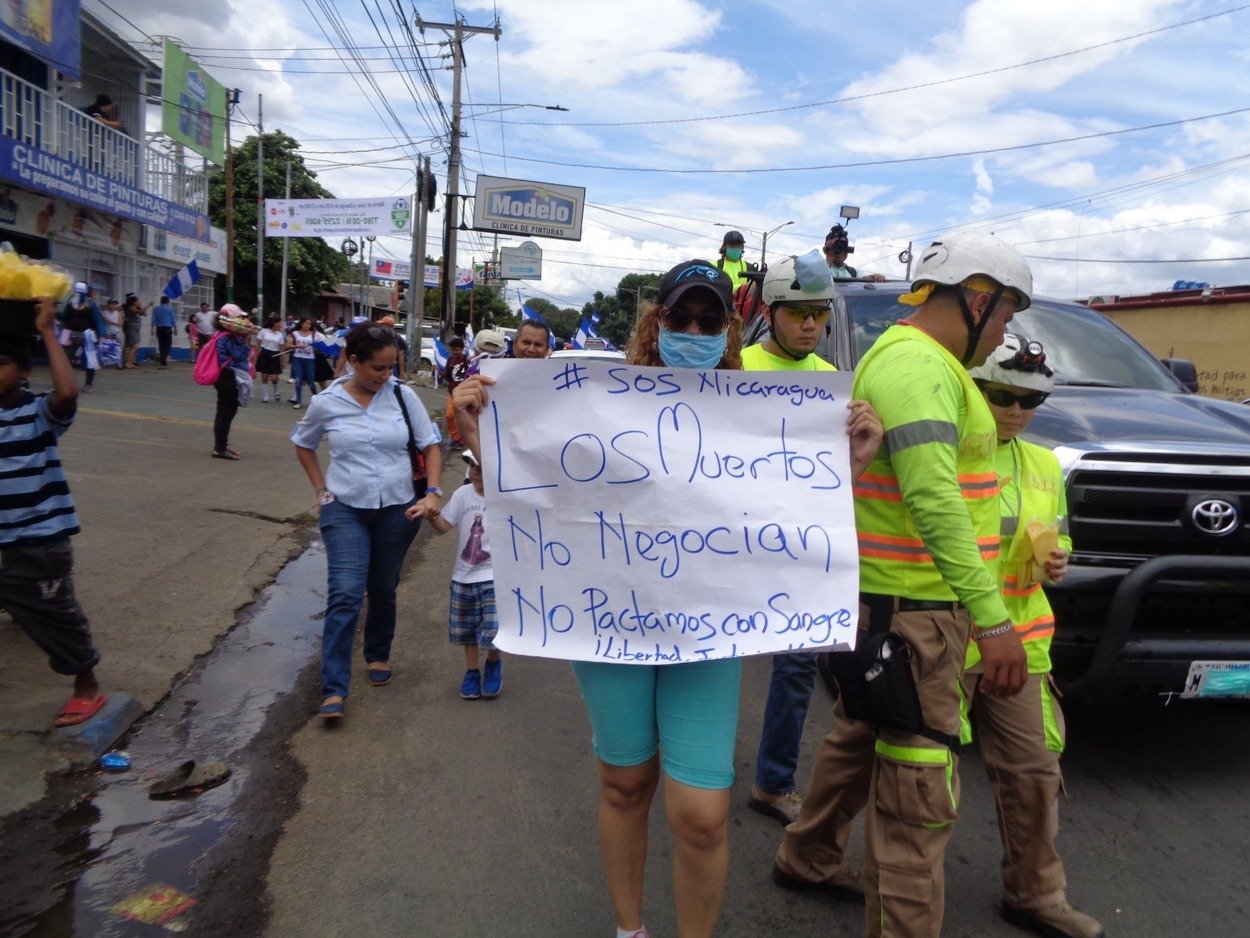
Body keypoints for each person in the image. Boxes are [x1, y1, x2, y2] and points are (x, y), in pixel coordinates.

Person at [451, 260, 882, 938]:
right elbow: (540, 495)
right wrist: (480, 436)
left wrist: (847, 469)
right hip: (610, 627)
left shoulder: (756, 420)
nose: (693, 330)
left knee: (702, 816)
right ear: (657, 324)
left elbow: (786, 519)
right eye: (680, 318)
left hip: (704, 636)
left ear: (728, 333)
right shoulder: (595, 405)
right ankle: (631, 930)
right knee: (625, 785)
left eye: (709, 321)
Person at [773, 232, 1033, 938]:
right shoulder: (921, 367)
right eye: (1006, 315)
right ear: (978, 300)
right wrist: (994, 620)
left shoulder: (908, 358)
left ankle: (807, 855)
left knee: (859, 738)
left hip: (888, 609)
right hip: (916, 617)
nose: (1005, 331)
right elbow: (935, 499)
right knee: (919, 798)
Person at [964, 335, 1104, 938]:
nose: (1016, 410)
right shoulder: (944, 453)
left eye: (1030, 400)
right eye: (1002, 395)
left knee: (1033, 770)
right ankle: (810, 853)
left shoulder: (1045, 463)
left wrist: (1059, 559)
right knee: (867, 755)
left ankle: (1035, 893)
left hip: (1022, 642)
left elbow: (1058, 536)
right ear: (975, 389)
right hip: (945, 638)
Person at [291, 322, 443, 721]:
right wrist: (321, 491)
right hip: (345, 509)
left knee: (383, 587)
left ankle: (377, 653)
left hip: (398, 509)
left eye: (391, 367)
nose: (385, 375)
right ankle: (333, 688)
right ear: (353, 361)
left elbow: (430, 445)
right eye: (378, 368)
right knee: (344, 591)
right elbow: (303, 444)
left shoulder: (402, 396)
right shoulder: (326, 402)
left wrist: (433, 493)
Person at [739, 252, 839, 826]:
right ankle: (687, 769)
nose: (809, 325)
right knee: (713, 657)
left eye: (818, 315)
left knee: (798, 668)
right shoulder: (736, 369)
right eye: (799, 312)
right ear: (772, 311)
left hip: (800, 550)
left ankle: (772, 783)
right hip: (729, 546)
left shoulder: (833, 384)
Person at [0, 298, 107, 728]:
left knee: (55, 615)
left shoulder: (37, 412)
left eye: (2, 363)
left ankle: (86, 686)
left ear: (24, 372)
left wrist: (47, 331)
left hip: (38, 541)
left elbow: (67, 393)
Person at [409, 450, 501, 699]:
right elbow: (443, 526)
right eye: (471, 467)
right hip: (463, 575)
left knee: (493, 629)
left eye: (480, 467)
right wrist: (430, 514)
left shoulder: (503, 497)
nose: (474, 472)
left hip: (494, 575)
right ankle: (472, 671)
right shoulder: (463, 494)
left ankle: (493, 662)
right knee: (467, 630)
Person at [210, 305, 257, 460]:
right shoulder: (227, 337)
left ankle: (221, 445)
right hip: (228, 376)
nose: (243, 320)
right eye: (240, 318)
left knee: (225, 411)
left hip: (228, 376)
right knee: (226, 412)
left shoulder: (223, 335)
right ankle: (220, 448)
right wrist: (246, 338)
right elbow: (240, 354)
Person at [285, 317, 319, 409]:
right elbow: (288, 345)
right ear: (302, 324)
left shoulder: (314, 334)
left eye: (310, 324)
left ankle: (318, 399)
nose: (308, 325)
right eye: (307, 323)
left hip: (310, 359)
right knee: (298, 380)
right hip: (298, 359)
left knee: (310, 381)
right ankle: (298, 401)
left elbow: (318, 345)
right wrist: (297, 345)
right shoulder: (295, 333)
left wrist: (316, 348)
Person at [443, 336, 468, 448]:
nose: (455, 352)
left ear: (462, 349)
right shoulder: (449, 360)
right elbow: (446, 375)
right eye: (453, 350)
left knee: (462, 417)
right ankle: (455, 438)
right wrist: (437, 370)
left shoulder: (466, 360)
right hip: (452, 393)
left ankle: (462, 440)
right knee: (449, 415)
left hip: (464, 393)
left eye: (457, 349)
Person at [255, 315, 286, 403]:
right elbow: (258, 343)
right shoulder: (263, 331)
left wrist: (282, 361)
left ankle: (276, 391)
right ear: (275, 323)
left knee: (274, 378)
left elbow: (281, 349)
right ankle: (265, 396)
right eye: (280, 322)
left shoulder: (280, 334)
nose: (281, 324)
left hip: (275, 354)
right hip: (264, 354)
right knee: (264, 376)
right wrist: (254, 355)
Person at [121, 293, 147, 369]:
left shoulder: (135, 308)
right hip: (132, 328)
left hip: (135, 328)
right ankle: (128, 362)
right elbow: (141, 311)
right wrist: (149, 304)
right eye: (138, 301)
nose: (139, 302)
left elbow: (144, 313)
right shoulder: (132, 308)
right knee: (133, 346)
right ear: (134, 302)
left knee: (133, 346)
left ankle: (130, 362)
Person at [152, 296, 176, 367]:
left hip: (159, 328)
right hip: (167, 328)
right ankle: (164, 358)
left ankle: (162, 357)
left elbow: (153, 319)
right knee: (168, 344)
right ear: (167, 301)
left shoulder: (156, 309)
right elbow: (173, 319)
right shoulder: (170, 309)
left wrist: (151, 328)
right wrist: (175, 328)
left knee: (161, 343)